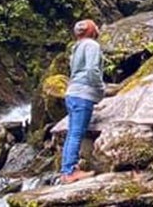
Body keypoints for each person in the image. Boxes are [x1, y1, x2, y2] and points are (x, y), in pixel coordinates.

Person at [60, 19, 104, 184]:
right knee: (76, 133)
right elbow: (92, 70)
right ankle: (69, 171)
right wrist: (101, 88)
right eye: (96, 26)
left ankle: (67, 170)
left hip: (72, 93)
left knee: (72, 133)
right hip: (83, 94)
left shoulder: (76, 47)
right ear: (91, 30)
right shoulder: (92, 45)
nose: (98, 28)